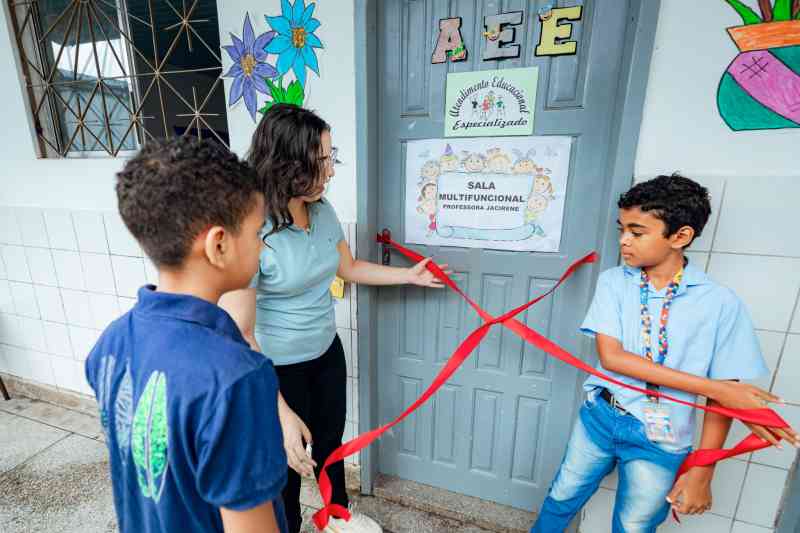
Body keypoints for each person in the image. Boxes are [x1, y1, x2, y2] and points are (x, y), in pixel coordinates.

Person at [220, 104, 448, 533]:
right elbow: (240, 334)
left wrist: (409, 275)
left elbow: (349, 268)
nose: (331, 170)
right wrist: (281, 411)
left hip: (326, 353)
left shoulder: (321, 211)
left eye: (330, 156)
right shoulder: (251, 230)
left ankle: (336, 516)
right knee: (286, 464)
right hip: (276, 371)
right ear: (289, 165)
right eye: (321, 160)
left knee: (330, 446)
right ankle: (287, 525)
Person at [531, 174, 799, 532]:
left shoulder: (720, 303)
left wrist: (703, 468)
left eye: (637, 232)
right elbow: (613, 358)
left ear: (680, 236)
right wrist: (716, 388)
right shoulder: (614, 281)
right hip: (600, 416)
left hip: (663, 437)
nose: (624, 241)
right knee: (562, 496)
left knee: (636, 523)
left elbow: (725, 399)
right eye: (621, 229)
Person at [85, 138, 288, 533]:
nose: (263, 246)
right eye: (258, 231)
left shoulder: (110, 343)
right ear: (219, 244)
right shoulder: (237, 378)